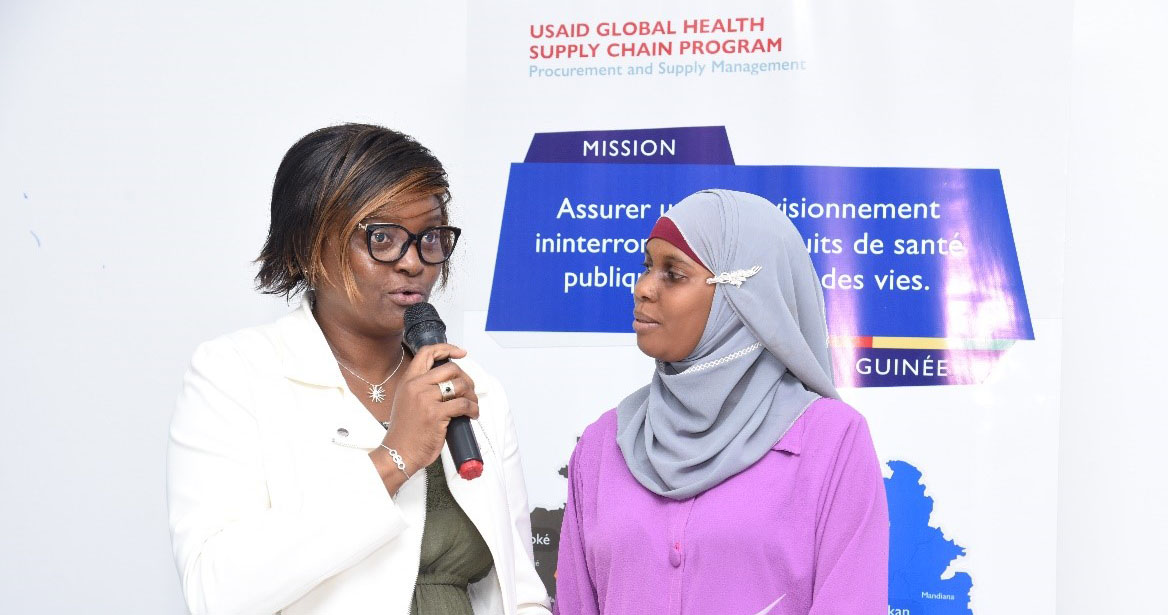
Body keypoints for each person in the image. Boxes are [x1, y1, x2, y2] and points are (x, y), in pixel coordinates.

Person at [167, 124, 550, 615]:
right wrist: (396, 456)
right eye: (383, 238)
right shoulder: (235, 375)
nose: (414, 262)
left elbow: (519, 593)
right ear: (307, 245)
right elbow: (215, 592)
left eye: (429, 237)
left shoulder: (474, 388)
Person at [553, 189, 889, 614]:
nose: (642, 289)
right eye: (646, 267)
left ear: (742, 295)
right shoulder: (602, 445)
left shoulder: (831, 441)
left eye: (673, 273)